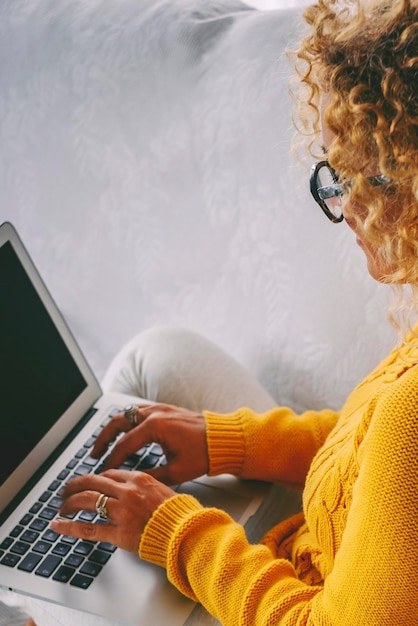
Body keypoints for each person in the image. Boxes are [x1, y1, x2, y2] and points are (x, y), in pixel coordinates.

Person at [7, 0, 418, 624]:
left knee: (65, 594)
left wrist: (173, 531)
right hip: (328, 545)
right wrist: (227, 442)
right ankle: (64, 525)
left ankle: (56, 579)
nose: (339, 203)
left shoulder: (408, 423)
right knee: (161, 354)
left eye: (351, 177)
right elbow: (377, 463)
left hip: (297, 596)